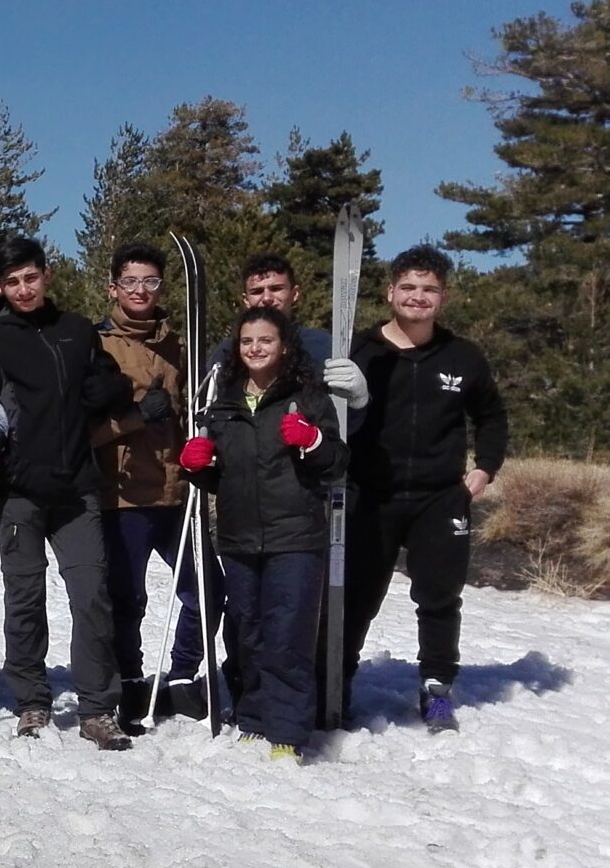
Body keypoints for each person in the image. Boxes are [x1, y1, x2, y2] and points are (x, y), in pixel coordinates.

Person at [0, 236, 135, 750]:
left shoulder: (76, 331)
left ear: (45, 275)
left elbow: (110, 383)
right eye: (12, 281)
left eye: (30, 277)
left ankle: (98, 708)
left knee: (92, 597)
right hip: (21, 495)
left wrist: (110, 391)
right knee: (25, 599)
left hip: (77, 489)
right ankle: (32, 701)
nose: (23, 288)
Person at [342, 245, 507, 730]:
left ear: (443, 297)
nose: (418, 297)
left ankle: (436, 688)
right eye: (409, 287)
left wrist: (485, 468)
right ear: (390, 291)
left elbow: (492, 415)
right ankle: (336, 680)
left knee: (438, 597)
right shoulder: (360, 352)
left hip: (439, 498)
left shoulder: (463, 356)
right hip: (370, 495)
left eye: (429, 289)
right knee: (354, 596)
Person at [181, 308, 344, 758]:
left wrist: (312, 442)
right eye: (247, 340)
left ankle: (287, 731)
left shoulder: (308, 398)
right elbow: (217, 474)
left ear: (284, 346)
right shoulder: (224, 403)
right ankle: (251, 714)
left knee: (287, 633)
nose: (255, 348)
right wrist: (198, 464)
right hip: (238, 536)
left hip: (295, 538)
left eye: (265, 340)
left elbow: (336, 461)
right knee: (246, 631)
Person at [90, 243, 204, 720]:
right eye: (131, 281)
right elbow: (83, 433)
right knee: (128, 599)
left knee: (207, 592)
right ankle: (131, 680)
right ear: (114, 287)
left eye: (151, 281)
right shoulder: (95, 343)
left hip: (176, 492)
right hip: (124, 494)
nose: (141, 290)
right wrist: (136, 418)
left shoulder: (180, 343)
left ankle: (181, 674)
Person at [239, 253, 373, 412]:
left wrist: (360, 401)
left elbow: (345, 424)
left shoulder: (325, 348)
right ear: (246, 300)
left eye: (276, 289)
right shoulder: (226, 354)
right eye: (257, 291)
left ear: (294, 294)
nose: (267, 298)